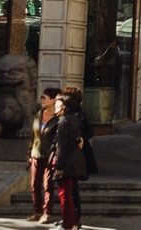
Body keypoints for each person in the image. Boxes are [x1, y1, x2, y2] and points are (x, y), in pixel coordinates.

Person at [51, 92, 87, 230]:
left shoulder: (63, 121)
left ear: (64, 106)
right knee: (69, 193)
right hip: (75, 162)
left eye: (58, 103)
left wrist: (59, 166)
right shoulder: (74, 119)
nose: (55, 105)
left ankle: (68, 224)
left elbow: (62, 146)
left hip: (67, 163)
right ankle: (72, 223)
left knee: (64, 194)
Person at [27, 87, 60, 223]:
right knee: (34, 184)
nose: (42, 100)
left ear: (53, 100)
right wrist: (29, 153)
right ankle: (37, 210)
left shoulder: (58, 119)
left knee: (47, 185)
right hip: (36, 153)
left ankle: (47, 213)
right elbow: (32, 136)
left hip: (48, 155)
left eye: (44, 98)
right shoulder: (38, 115)